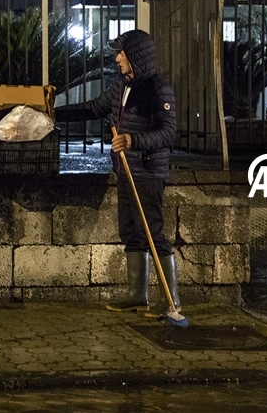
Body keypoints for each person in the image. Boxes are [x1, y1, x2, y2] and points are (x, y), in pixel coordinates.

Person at [56, 29, 178, 314]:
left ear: (136, 56)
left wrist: (133, 140)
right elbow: (93, 108)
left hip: (147, 172)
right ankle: (137, 295)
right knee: (130, 233)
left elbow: (168, 132)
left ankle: (170, 300)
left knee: (152, 234)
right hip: (125, 170)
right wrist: (53, 112)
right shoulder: (121, 87)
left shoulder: (159, 90)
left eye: (122, 53)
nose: (117, 58)